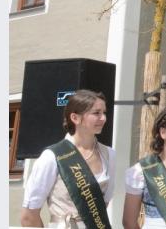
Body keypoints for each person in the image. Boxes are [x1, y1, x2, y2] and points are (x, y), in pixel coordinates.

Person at [21, 89, 116, 228]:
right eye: (96, 113)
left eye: (104, 112)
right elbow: (28, 216)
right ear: (75, 118)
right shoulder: (52, 156)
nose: (103, 118)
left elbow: (103, 205)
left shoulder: (109, 155)